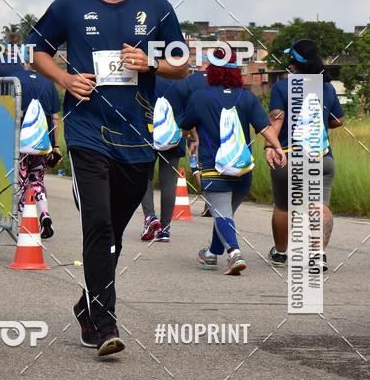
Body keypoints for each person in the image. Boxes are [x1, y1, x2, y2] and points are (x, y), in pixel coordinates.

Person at [30, 0, 188, 356]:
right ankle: (104, 324)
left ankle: (87, 305)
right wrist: (65, 78)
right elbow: (37, 49)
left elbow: (182, 65)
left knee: (113, 234)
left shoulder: (157, 7)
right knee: (98, 224)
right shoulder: (71, 4)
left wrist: (150, 63)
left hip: (136, 139)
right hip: (87, 133)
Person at [178, 48, 285, 275]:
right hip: (242, 171)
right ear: (237, 71)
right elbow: (264, 127)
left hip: (213, 169)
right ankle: (211, 254)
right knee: (223, 214)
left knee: (222, 214)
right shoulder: (247, 98)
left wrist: (192, 137)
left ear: (212, 70)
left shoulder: (200, 97)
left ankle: (235, 254)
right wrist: (277, 147)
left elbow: (185, 126)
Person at [267, 38, 344, 270]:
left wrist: (269, 147)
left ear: (293, 63)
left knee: (283, 207)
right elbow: (338, 120)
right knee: (320, 205)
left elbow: (276, 120)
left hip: (288, 157)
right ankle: (317, 255)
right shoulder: (327, 87)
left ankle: (281, 254)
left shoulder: (281, 87)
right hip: (322, 159)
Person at [0, 40, 61, 237]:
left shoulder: (14, 80)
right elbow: (55, 117)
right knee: (37, 178)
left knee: (19, 180)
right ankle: (44, 213)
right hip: (42, 140)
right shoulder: (49, 82)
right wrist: (55, 145)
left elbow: (4, 110)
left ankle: (24, 223)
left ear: (23, 61)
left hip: (18, 140)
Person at [141, 71, 207, 242]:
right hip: (174, 138)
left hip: (146, 134)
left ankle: (150, 217)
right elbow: (190, 113)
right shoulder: (183, 82)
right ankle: (165, 230)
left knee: (144, 177)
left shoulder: (146, 76)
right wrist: (193, 137)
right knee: (169, 182)